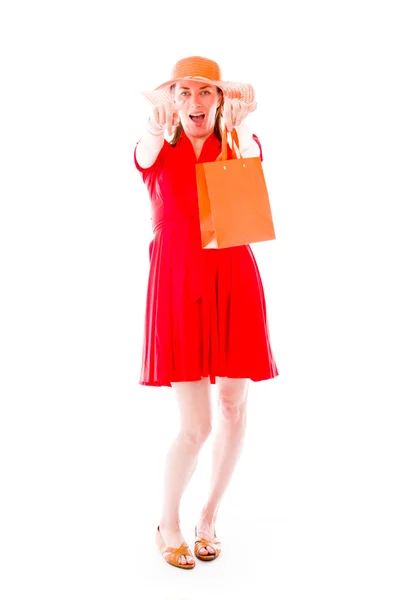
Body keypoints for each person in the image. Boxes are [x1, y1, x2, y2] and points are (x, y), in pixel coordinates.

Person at [133, 56, 279, 569]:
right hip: (177, 284)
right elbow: (149, 140)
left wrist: (239, 134)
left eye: (205, 93)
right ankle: (167, 522)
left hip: (234, 277)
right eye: (184, 92)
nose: (194, 102)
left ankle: (209, 516)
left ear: (219, 100)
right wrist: (157, 123)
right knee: (194, 426)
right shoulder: (155, 146)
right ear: (173, 99)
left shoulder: (238, 144)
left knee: (234, 406)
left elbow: (244, 208)